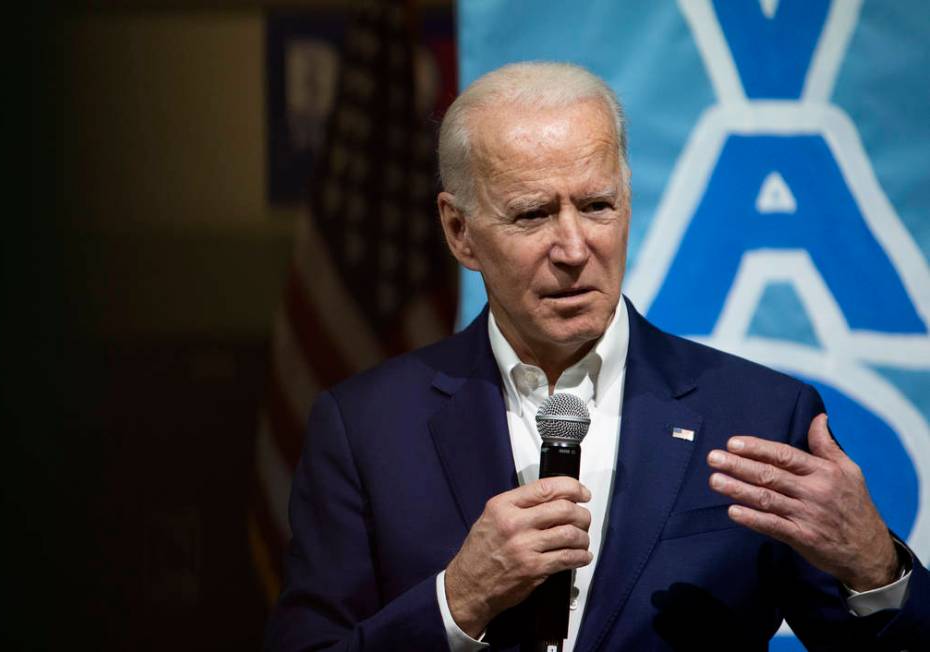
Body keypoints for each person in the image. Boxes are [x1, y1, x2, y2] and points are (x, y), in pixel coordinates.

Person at [265, 62, 929, 651]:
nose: (574, 247)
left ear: (628, 204)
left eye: (597, 205)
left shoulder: (759, 415)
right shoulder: (365, 429)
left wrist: (875, 569)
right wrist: (457, 602)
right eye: (532, 214)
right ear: (460, 231)